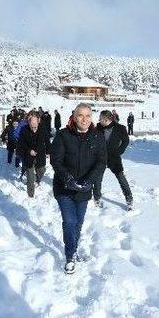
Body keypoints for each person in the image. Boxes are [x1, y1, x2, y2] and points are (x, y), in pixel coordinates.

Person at [51, 103, 107, 274]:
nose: (84, 119)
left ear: (92, 118)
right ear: (74, 117)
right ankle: (70, 256)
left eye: (87, 116)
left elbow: (101, 162)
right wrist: (67, 179)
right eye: (80, 115)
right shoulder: (63, 135)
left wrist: (90, 181)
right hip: (64, 188)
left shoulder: (97, 137)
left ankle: (73, 246)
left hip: (84, 189)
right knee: (69, 221)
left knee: (79, 223)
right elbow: (56, 161)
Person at [96, 110, 133, 210]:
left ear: (106, 119)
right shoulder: (98, 127)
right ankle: (97, 198)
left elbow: (126, 141)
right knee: (98, 178)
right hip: (101, 157)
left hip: (114, 158)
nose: (99, 120)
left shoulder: (120, 128)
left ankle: (129, 199)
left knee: (121, 178)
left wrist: (119, 151)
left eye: (100, 118)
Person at [18, 111, 51, 198]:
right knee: (30, 176)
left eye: (34, 123)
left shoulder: (43, 129)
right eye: (30, 123)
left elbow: (47, 141)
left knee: (42, 170)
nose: (33, 126)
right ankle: (30, 195)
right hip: (28, 156)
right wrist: (29, 151)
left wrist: (48, 151)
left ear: (38, 121)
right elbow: (21, 144)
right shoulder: (24, 130)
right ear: (28, 122)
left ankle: (37, 179)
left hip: (40, 154)